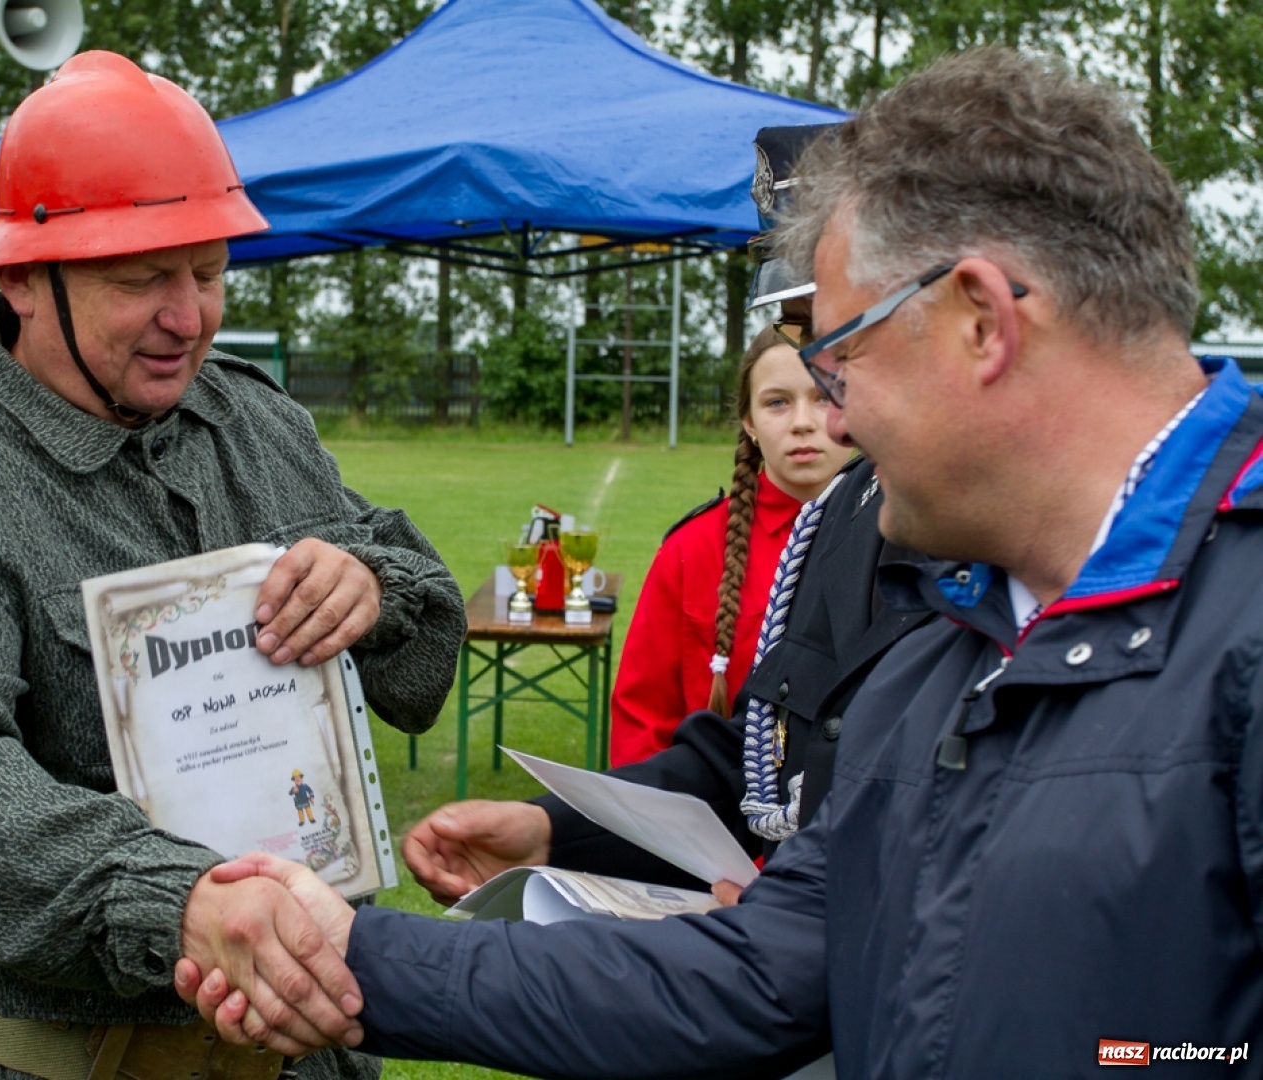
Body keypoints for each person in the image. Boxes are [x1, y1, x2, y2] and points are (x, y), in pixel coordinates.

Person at [180, 48, 1263, 1076]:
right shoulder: (943, 647)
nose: (835, 413)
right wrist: (357, 955)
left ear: (978, 320)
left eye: (839, 355)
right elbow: (754, 976)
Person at [0, 52, 463, 1080]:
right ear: (21, 282)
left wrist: (374, 591)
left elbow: (422, 653)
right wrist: (176, 901)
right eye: (141, 280)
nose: (191, 317)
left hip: (312, 1051)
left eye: (210, 272)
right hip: (86, 1059)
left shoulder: (256, 422)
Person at [609, 322, 845, 766]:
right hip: (715, 817)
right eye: (777, 402)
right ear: (749, 421)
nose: (802, 423)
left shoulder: (903, 537)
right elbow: (642, 720)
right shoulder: (692, 549)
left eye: (824, 396)